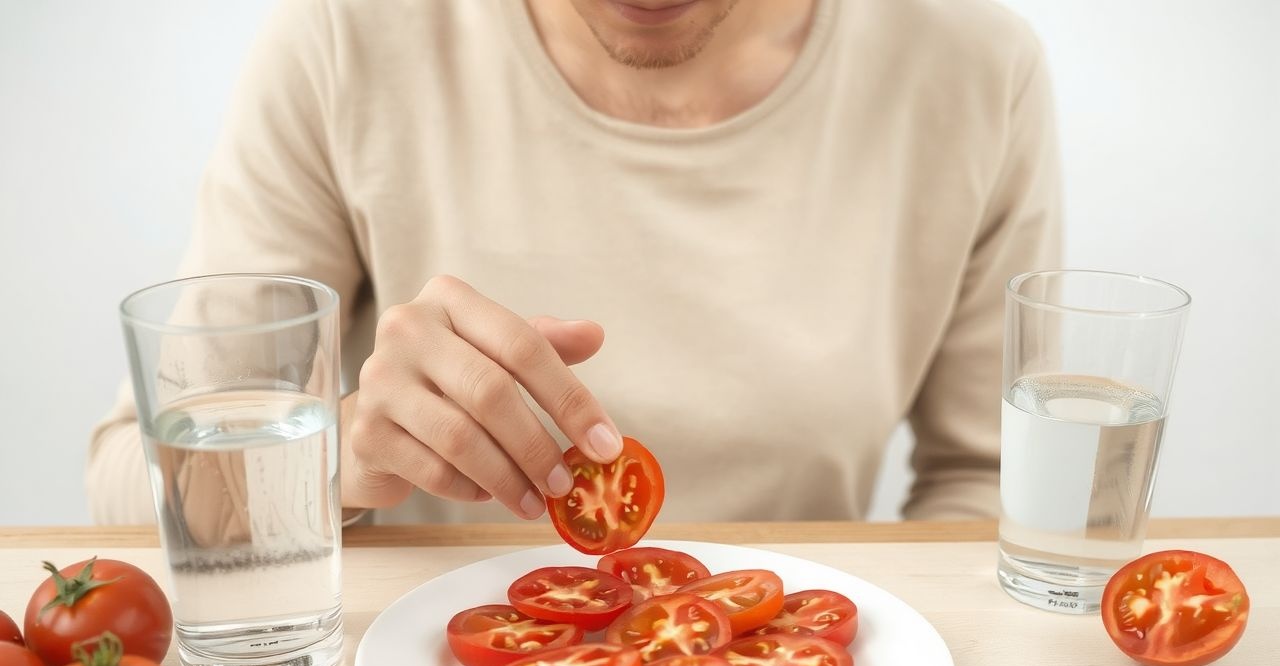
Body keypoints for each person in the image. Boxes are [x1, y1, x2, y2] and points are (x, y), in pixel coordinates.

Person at [88, 0, 1061, 526]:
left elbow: (998, 487)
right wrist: (335, 455)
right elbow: (131, 480)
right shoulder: (346, 35)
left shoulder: (970, 67)